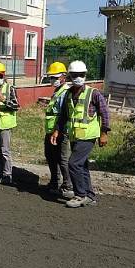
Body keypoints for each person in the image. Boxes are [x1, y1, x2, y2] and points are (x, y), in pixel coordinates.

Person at [51, 60, 110, 208]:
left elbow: (105, 113)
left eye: (81, 75)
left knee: (73, 163)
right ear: (70, 76)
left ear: (85, 75)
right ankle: (89, 196)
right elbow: (63, 115)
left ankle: (80, 195)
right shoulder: (69, 94)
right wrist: (57, 130)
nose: (78, 77)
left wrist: (104, 133)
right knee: (82, 166)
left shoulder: (93, 93)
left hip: (89, 136)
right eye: (75, 75)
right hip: (75, 135)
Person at [43, 61, 74, 198]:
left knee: (62, 159)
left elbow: (63, 114)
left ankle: (68, 186)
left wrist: (57, 131)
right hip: (51, 131)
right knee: (50, 156)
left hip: (61, 131)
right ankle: (54, 182)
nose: (52, 80)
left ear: (63, 77)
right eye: (51, 77)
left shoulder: (65, 92)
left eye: (55, 78)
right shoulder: (57, 91)